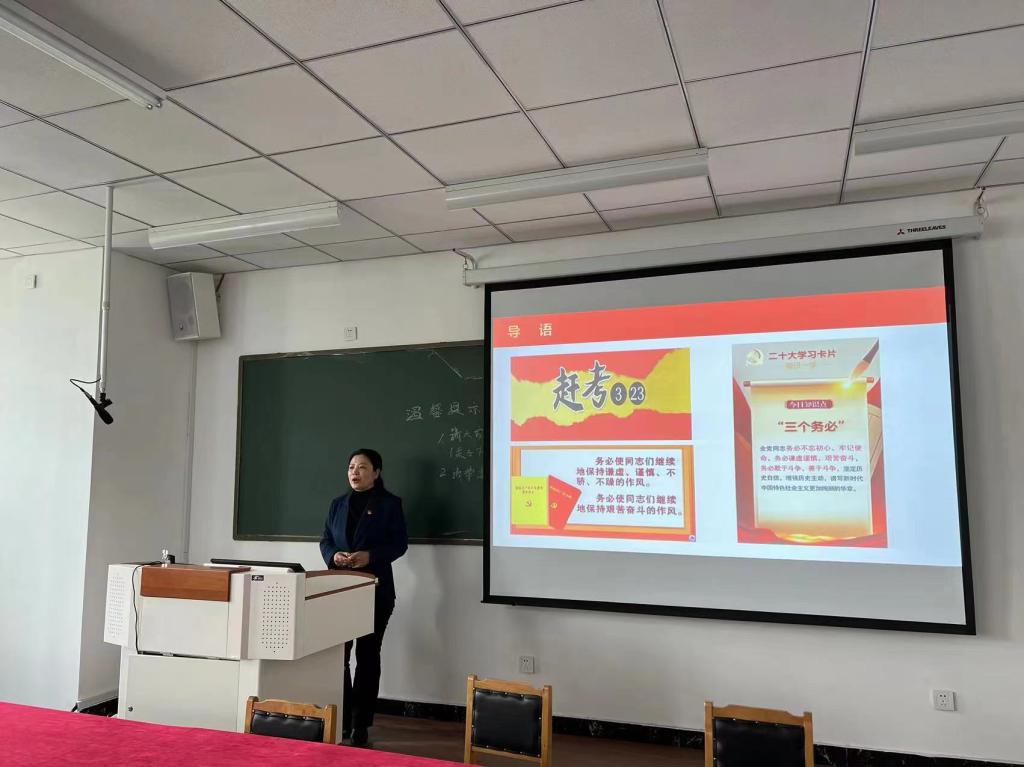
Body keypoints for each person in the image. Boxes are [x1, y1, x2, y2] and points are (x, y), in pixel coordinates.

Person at [319, 448, 408, 747]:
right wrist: (334, 555)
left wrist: (370, 556)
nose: (354, 472)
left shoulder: (390, 504)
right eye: (351, 467)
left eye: (362, 467)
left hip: (376, 589)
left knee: (367, 656)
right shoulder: (337, 504)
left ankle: (361, 724)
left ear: (376, 473)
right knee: (339, 657)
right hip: (340, 589)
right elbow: (326, 540)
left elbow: (399, 544)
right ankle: (342, 720)